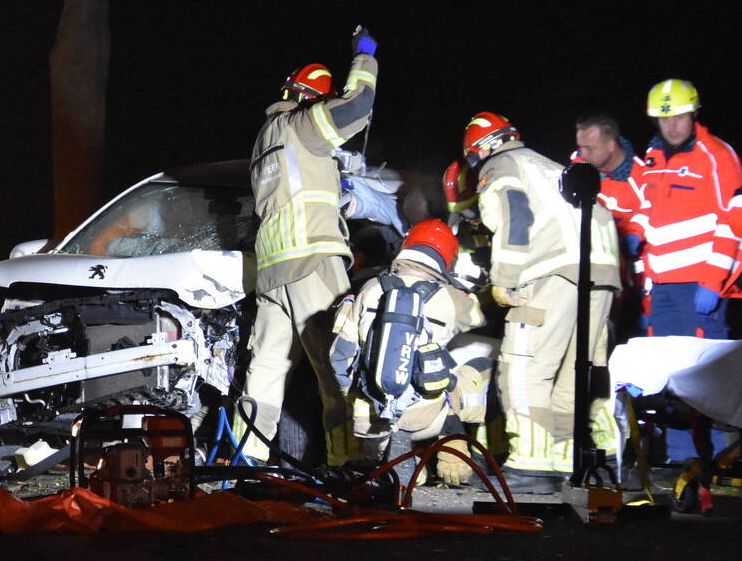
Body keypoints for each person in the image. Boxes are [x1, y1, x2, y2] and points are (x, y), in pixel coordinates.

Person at [236, 27, 378, 465]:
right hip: (312, 260)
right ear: (314, 100)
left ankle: (247, 459)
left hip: (273, 273)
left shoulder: (266, 137)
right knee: (338, 366)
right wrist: (365, 57)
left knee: (265, 371)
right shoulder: (302, 125)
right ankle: (349, 464)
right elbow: (357, 104)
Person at [464, 111, 621, 493]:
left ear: (480, 149)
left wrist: (503, 279)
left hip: (553, 271)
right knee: (577, 372)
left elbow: (514, 215)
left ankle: (533, 466)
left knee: (524, 367)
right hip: (601, 270)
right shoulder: (550, 166)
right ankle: (586, 457)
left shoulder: (502, 164)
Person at [329, 219, 488, 486]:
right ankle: (458, 448)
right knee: (476, 370)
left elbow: (339, 356)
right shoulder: (450, 297)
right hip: (425, 418)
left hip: (369, 421)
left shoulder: (368, 289)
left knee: (401, 478)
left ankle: (403, 466)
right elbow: (479, 318)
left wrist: (354, 399)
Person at [626, 79, 742, 339]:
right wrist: (634, 231)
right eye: (664, 119)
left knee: (700, 371)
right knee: (664, 368)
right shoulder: (653, 155)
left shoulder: (718, 155)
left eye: (679, 117)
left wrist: (712, 282)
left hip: (699, 285)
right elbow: (648, 204)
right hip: (661, 285)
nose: (672, 126)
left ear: (694, 114)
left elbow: (734, 222)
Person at [572, 112, 649, 341]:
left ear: (611, 145)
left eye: (590, 148)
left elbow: (650, 216)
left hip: (632, 271)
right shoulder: (579, 165)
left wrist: (632, 235)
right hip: (592, 266)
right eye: (580, 147)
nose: (582, 154)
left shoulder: (641, 176)